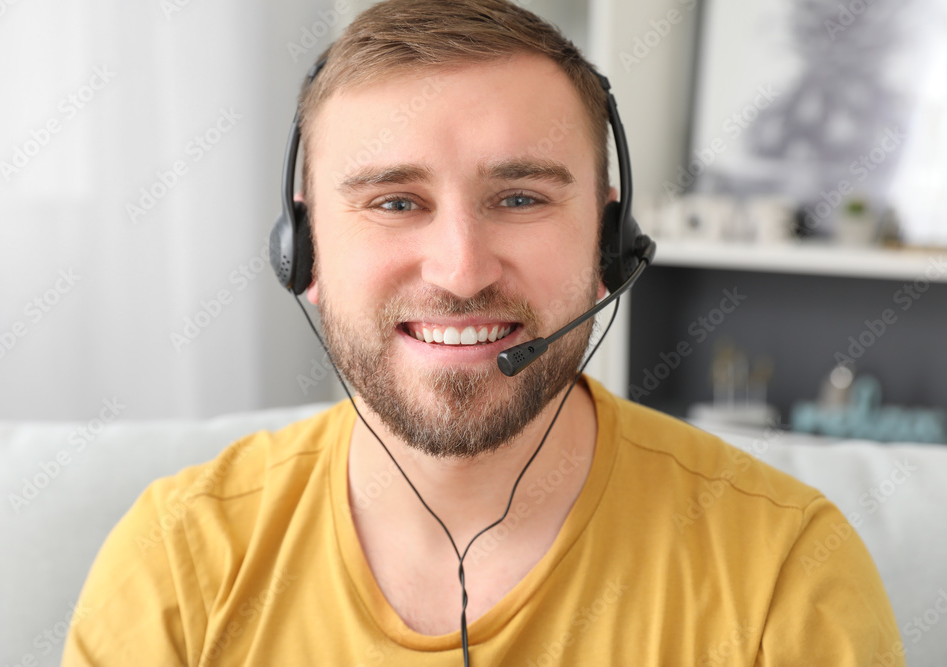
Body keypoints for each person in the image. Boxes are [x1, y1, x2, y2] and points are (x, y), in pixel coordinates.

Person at [62, 1, 904, 665]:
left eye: (521, 198)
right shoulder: (177, 565)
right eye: (396, 202)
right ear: (305, 248)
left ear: (609, 246)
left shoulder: (784, 574)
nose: (461, 272)